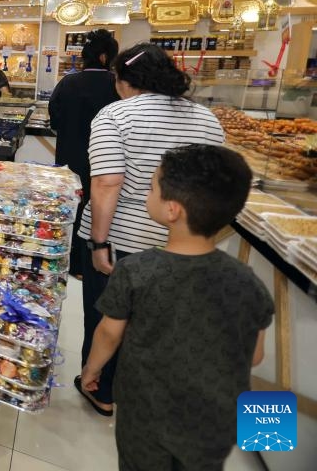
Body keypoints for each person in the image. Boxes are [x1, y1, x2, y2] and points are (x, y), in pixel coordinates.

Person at [81, 145, 272, 470]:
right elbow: (253, 356)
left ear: (172, 210)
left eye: (151, 188)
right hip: (213, 420)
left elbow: (109, 334)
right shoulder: (249, 282)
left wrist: (92, 369)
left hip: (145, 410)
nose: (147, 193)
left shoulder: (135, 270)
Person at [75, 42, 225, 416]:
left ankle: (101, 388)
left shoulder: (116, 115)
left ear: (124, 78)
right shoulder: (207, 119)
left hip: (122, 237)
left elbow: (107, 183)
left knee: (108, 315)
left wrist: (99, 243)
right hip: (181, 241)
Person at [48, 29, 120, 278]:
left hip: (69, 157)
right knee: (101, 208)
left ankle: (69, 262)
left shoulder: (67, 82)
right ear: (105, 57)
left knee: (71, 207)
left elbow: (54, 118)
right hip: (107, 162)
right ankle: (91, 264)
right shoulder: (116, 85)